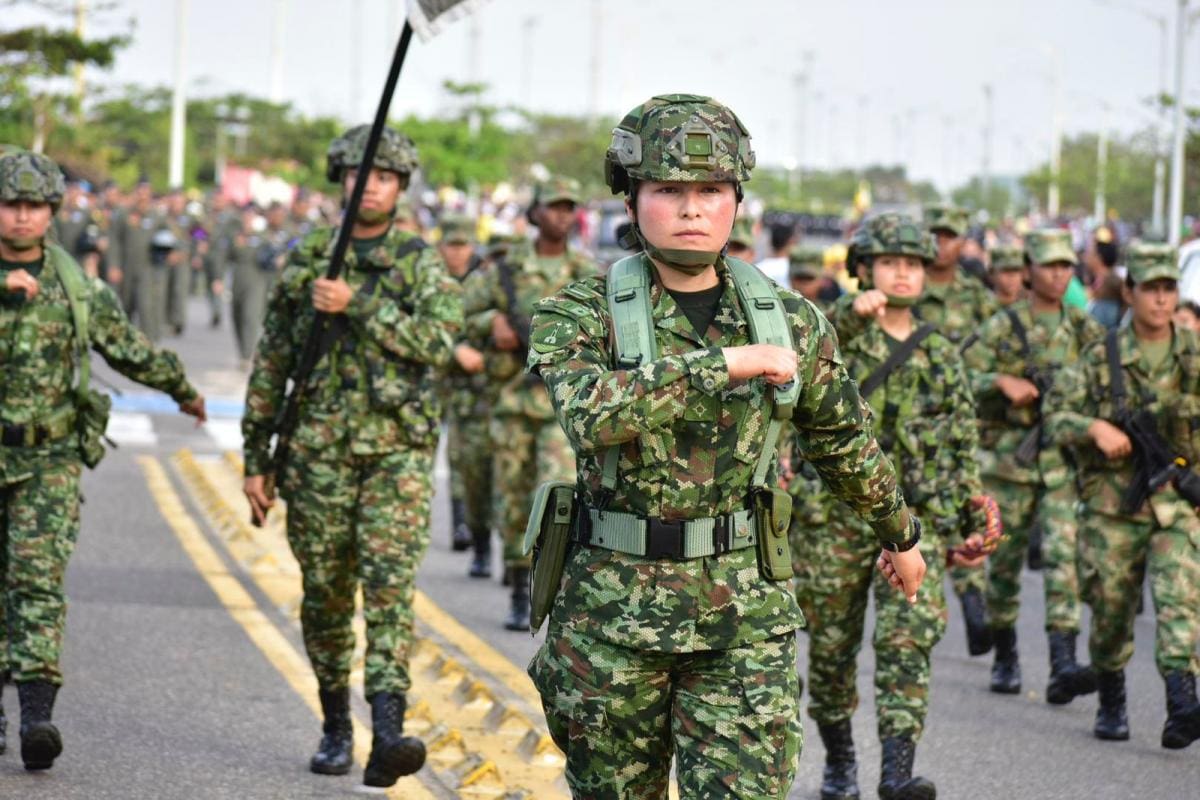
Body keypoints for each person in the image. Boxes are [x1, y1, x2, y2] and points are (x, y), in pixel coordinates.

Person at [525, 93, 927, 800]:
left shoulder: (789, 320)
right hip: (609, 618)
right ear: (632, 198)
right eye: (668, 190)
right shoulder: (579, 311)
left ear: (735, 201)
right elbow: (590, 413)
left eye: (709, 190)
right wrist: (725, 365)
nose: (690, 208)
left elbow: (842, 437)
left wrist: (900, 533)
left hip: (741, 617)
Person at [240, 125, 462, 786]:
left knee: (389, 589)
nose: (371, 187)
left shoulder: (419, 263)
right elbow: (272, 359)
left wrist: (359, 304)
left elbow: (440, 342)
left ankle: (388, 732)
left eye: (386, 178)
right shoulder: (309, 258)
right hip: (316, 458)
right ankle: (337, 724)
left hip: (395, 454)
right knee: (327, 595)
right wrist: (258, 458)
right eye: (361, 175)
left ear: (400, 188)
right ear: (342, 180)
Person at [0, 150, 206, 770]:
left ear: (52, 212)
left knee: (36, 584)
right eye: (11, 204)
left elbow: (127, 347)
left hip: (48, 458)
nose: (21, 217)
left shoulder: (72, 284)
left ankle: (37, 717)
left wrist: (182, 389)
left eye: (34, 206)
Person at [798, 213, 990, 800]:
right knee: (831, 651)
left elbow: (960, 443)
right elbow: (802, 388)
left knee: (908, 637)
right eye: (889, 262)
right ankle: (839, 762)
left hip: (912, 526)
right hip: (834, 519)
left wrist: (969, 519)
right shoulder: (835, 337)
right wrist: (850, 326)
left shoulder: (941, 354)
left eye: (913, 263)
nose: (903, 273)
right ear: (864, 271)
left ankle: (897, 770)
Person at [1044, 242, 1200, 748]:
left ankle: (1182, 702)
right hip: (1114, 505)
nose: (1160, 300)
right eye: (1149, 289)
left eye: (1168, 289)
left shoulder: (1194, 354)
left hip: (1178, 501)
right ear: (1129, 292)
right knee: (1111, 610)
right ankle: (1112, 698)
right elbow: (1054, 415)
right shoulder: (1101, 356)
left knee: (1179, 597)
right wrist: (1093, 427)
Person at [962, 229, 1105, 700]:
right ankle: (1005, 653)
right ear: (1029, 271)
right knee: (1004, 565)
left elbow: (1109, 386)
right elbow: (962, 375)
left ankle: (1064, 660)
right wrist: (1000, 381)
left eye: (1067, 266)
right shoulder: (1005, 326)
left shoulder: (1086, 330)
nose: (1060, 274)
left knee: (1064, 559)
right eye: (1050, 266)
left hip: (1062, 464)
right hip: (1010, 464)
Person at [462, 176, 595, 630]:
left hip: (563, 407)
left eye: (568, 207)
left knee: (557, 491)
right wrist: (490, 322)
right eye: (554, 207)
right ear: (535, 213)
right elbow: (456, 312)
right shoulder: (506, 267)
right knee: (514, 498)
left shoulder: (587, 273)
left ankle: (551, 588)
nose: (561, 215)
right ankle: (519, 590)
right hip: (513, 400)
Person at [439, 214, 494, 562]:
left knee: (472, 463)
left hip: (475, 390)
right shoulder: (430, 283)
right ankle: (462, 526)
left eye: (463, 245)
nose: (457, 252)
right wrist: (451, 351)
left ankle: (473, 533)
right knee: (453, 460)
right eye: (451, 245)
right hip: (435, 385)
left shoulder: (484, 285)